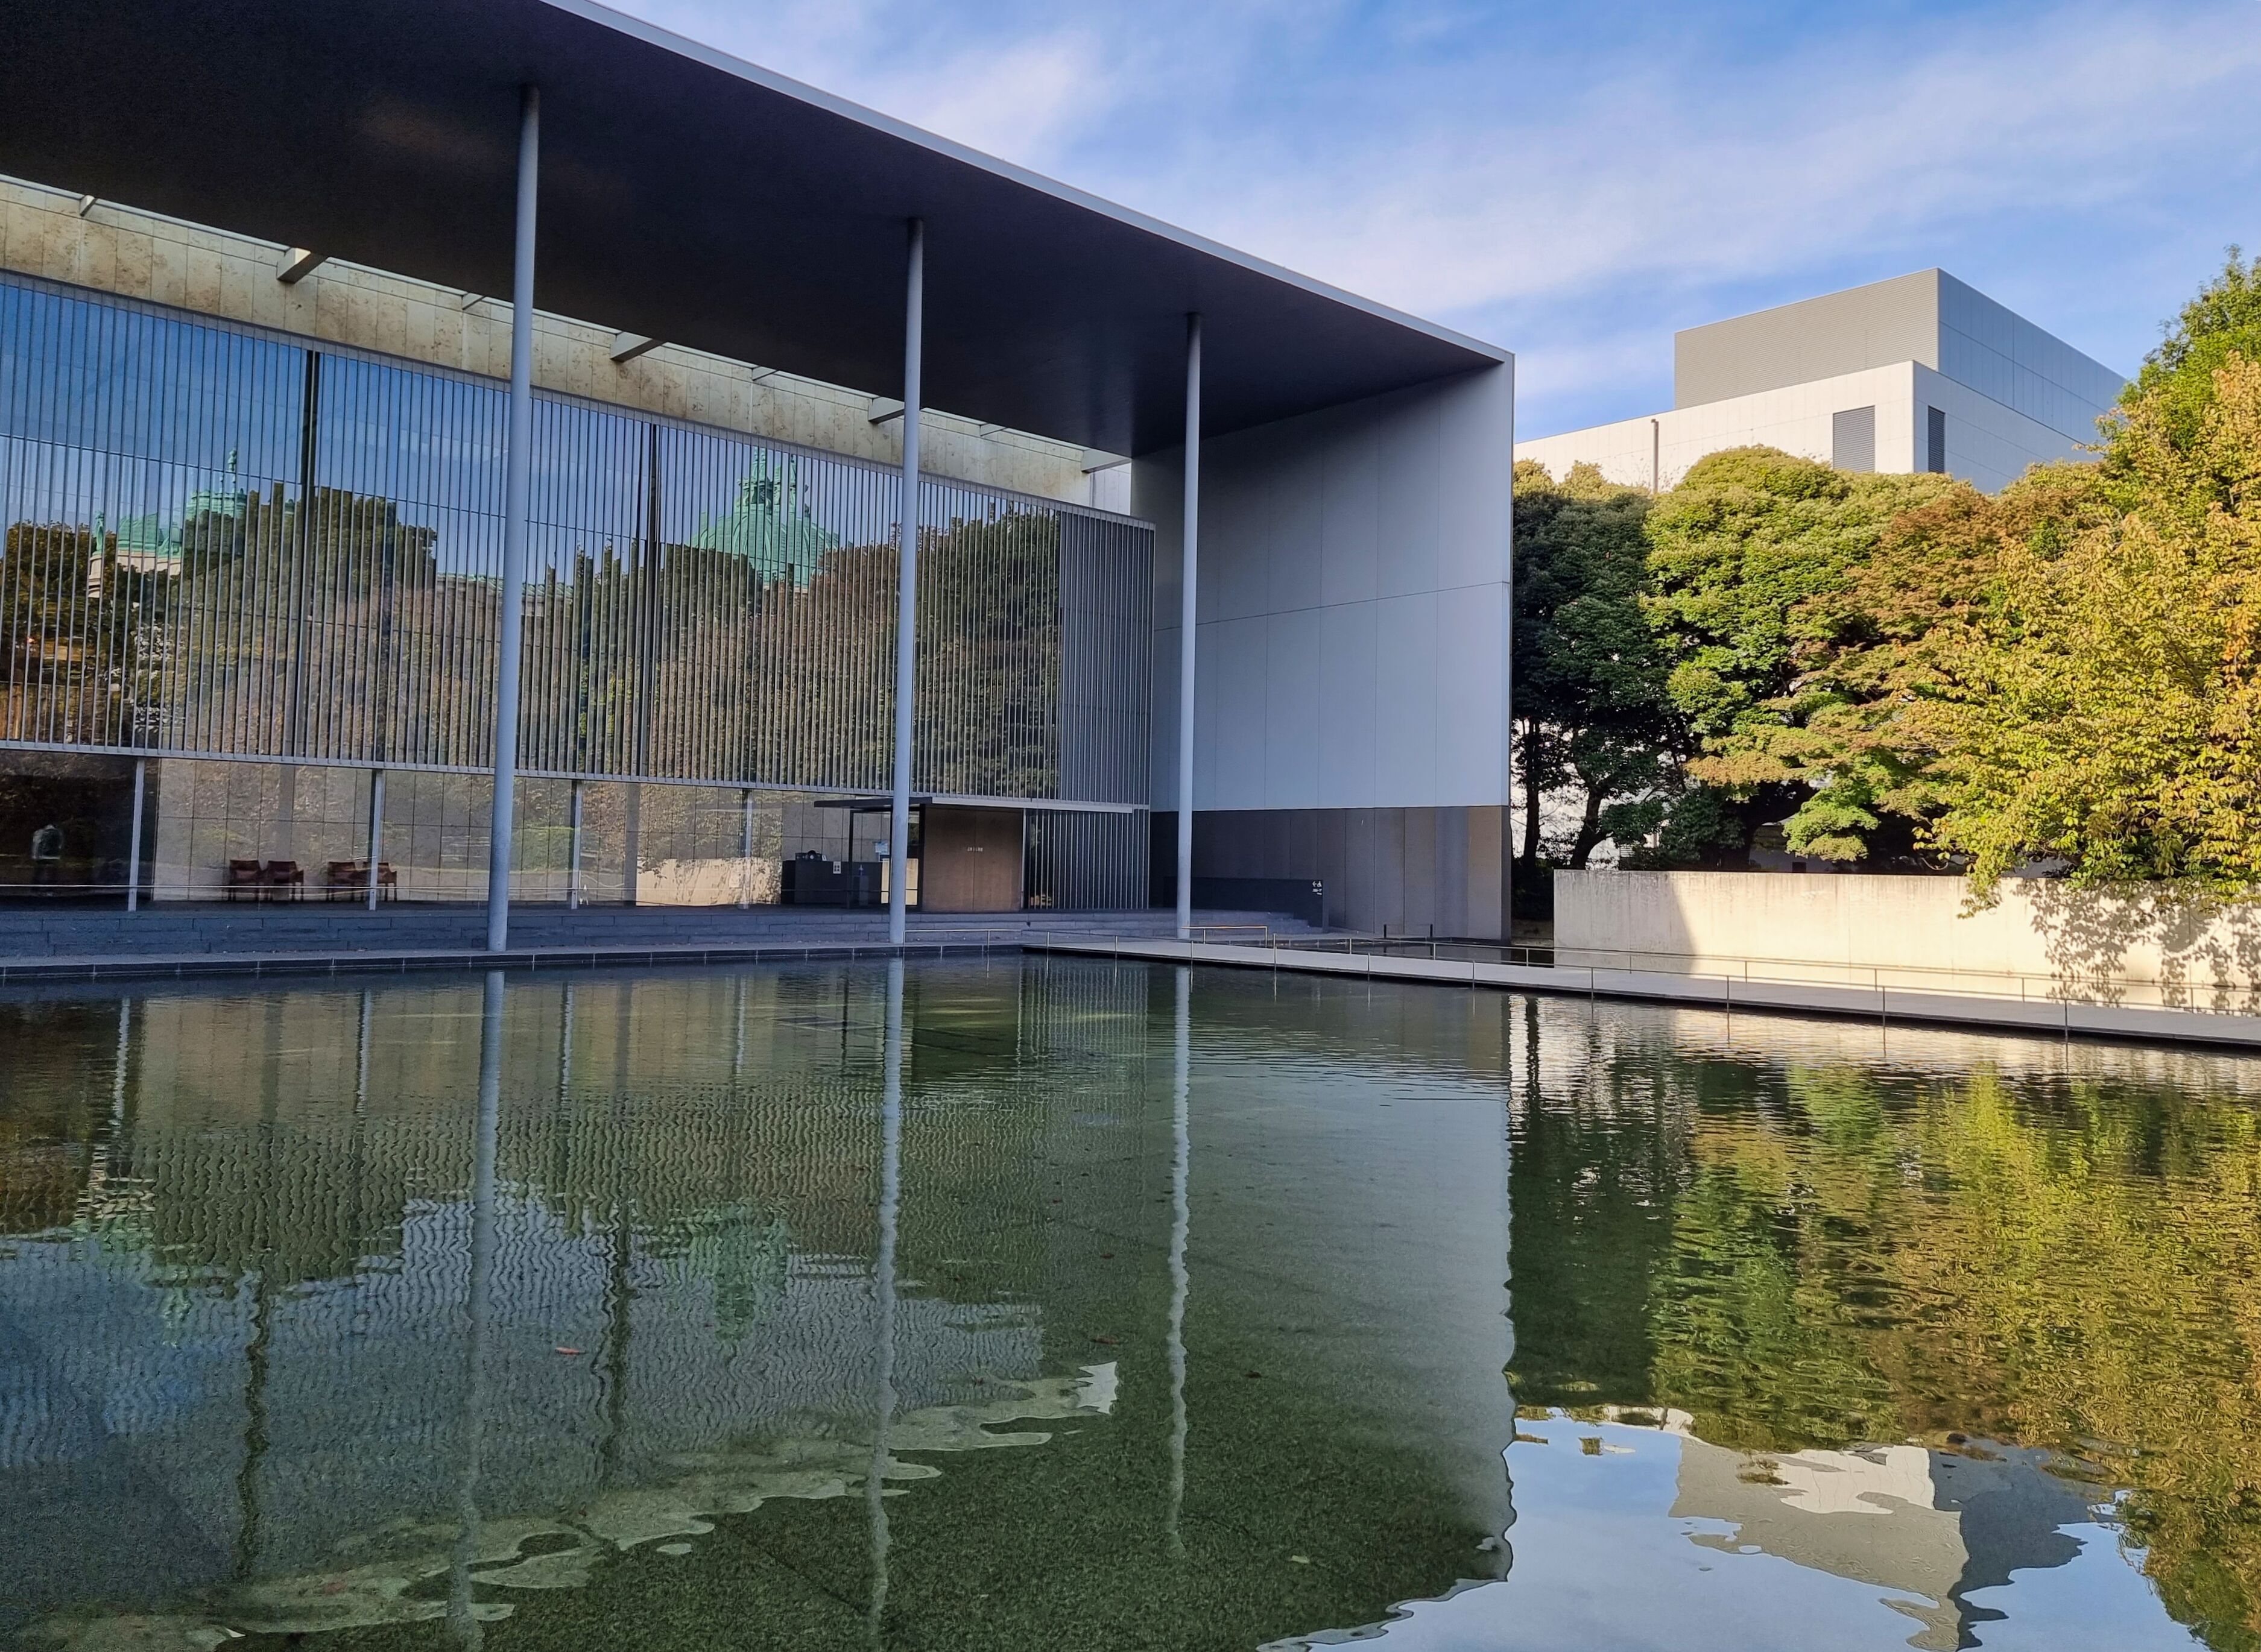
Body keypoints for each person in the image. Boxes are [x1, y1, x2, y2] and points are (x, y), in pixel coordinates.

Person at [30, 821, 63, 889]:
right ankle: (52, 889)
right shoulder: (59, 833)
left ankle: (35, 888)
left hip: (42, 856)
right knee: (53, 873)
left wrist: (35, 855)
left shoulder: (40, 832)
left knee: (39, 872)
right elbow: (60, 845)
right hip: (55, 857)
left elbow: (36, 845)